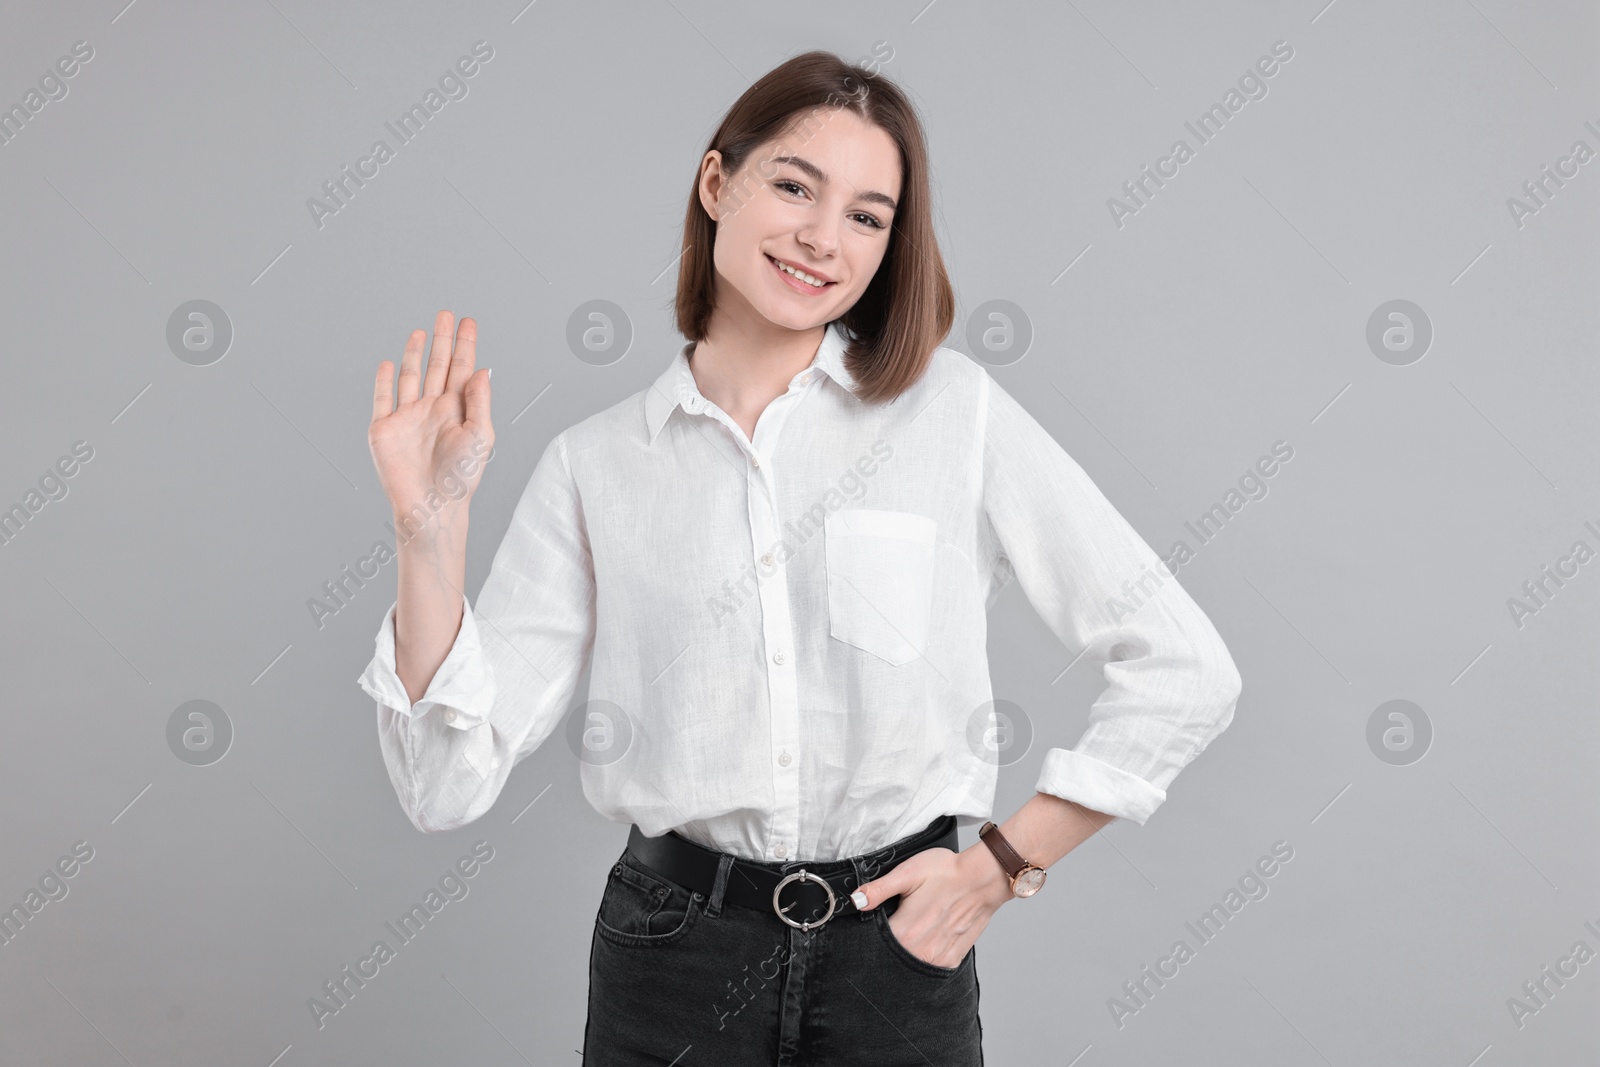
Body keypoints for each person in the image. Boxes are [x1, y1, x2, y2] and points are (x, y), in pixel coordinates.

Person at [357, 49, 1241, 1066]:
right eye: (793, 186)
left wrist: (999, 865)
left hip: (895, 961)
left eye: (868, 215)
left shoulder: (953, 418)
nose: (824, 238)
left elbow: (1185, 666)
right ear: (716, 182)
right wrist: (428, 530)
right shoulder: (596, 465)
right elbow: (441, 786)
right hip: (669, 957)